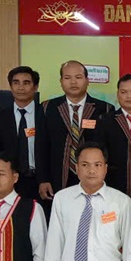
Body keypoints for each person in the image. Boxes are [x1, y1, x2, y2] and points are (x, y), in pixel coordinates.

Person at [38, 60, 114, 201]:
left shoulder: (105, 109)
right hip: (57, 177)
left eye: (78, 77)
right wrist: (43, 179)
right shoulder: (47, 108)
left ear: (87, 80)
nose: (73, 82)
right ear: (61, 81)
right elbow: (41, 145)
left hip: (93, 177)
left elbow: (109, 149)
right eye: (67, 78)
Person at [89, 74, 131, 208]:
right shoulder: (105, 121)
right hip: (116, 188)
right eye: (124, 92)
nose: (129, 96)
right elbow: (99, 156)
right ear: (118, 95)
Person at [0, 66, 45, 204]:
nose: (21, 87)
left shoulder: (45, 114)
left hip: (40, 181)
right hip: (10, 180)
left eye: (26, 83)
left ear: (35, 87)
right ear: (10, 86)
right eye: (16, 83)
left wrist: (45, 179)